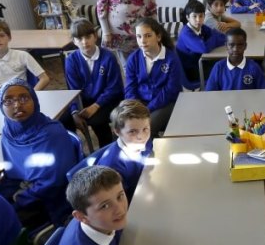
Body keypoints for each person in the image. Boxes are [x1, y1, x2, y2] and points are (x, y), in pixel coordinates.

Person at [0, 78, 78, 227]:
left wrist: (20, 198)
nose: (17, 105)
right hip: (19, 184)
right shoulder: (8, 130)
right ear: (1, 107)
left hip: (47, 197)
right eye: (8, 101)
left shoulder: (52, 134)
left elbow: (53, 183)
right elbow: (11, 169)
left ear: (34, 99)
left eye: (24, 98)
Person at [74, 99, 152, 202]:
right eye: (132, 131)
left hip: (144, 185)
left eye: (145, 129)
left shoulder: (144, 141)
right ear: (117, 131)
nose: (141, 136)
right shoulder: (113, 166)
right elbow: (118, 201)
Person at [61, 18, 124, 147]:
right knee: (63, 120)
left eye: (88, 36)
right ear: (74, 41)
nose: (84, 42)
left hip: (108, 101)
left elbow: (114, 88)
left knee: (97, 122)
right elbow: (73, 90)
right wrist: (74, 113)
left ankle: (106, 149)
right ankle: (74, 151)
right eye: (79, 39)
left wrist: (95, 106)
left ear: (95, 36)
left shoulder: (108, 57)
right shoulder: (71, 60)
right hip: (84, 101)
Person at [124, 17, 182, 135]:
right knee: (123, 125)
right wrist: (136, 107)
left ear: (158, 37)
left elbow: (170, 91)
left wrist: (148, 108)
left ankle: (153, 151)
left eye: (148, 36)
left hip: (166, 103)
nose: (143, 41)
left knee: (146, 127)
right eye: (139, 36)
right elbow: (130, 88)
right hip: (140, 103)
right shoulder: (133, 59)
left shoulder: (172, 59)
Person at [0, 17, 49, 92]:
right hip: (0, 99)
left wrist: (31, 94)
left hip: (22, 96)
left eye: (1, 35)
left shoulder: (23, 55)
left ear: (9, 37)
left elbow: (44, 78)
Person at [176, 0, 226, 88]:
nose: (198, 20)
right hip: (193, 70)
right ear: (187, 17)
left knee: (226, 62)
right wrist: (213, 36)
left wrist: (212, 37)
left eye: (201, 16)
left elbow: (223, 37)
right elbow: (204, 48)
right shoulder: (186, 33)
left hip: (201, 61)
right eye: (194, 16)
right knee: (224, 70)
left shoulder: (201, 27)